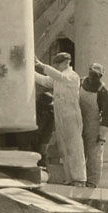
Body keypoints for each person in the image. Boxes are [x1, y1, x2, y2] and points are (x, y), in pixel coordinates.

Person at [35, 51, 86, 184]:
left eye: (57, 64)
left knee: (74, 146)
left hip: (71, 115)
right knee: (64, 147)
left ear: (65, 63)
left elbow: (59, 77)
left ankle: (79, 178)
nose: (56, 66)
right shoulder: (58, 78)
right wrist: (30, 71)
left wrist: (42, 65)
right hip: (60, 115)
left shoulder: (72, 76)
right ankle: (70, 177)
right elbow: (45, 80)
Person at [79, 62, 108, 187]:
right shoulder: (80, 83)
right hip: (79, 121)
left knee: (94, 155)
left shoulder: (103, 91)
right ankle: (79, 179)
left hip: (93, 126)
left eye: (96, 76)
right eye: (92, 74)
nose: (93, 78)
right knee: (78, 151)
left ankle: (92, 182)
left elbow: (107, 114)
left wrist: (102, 134)